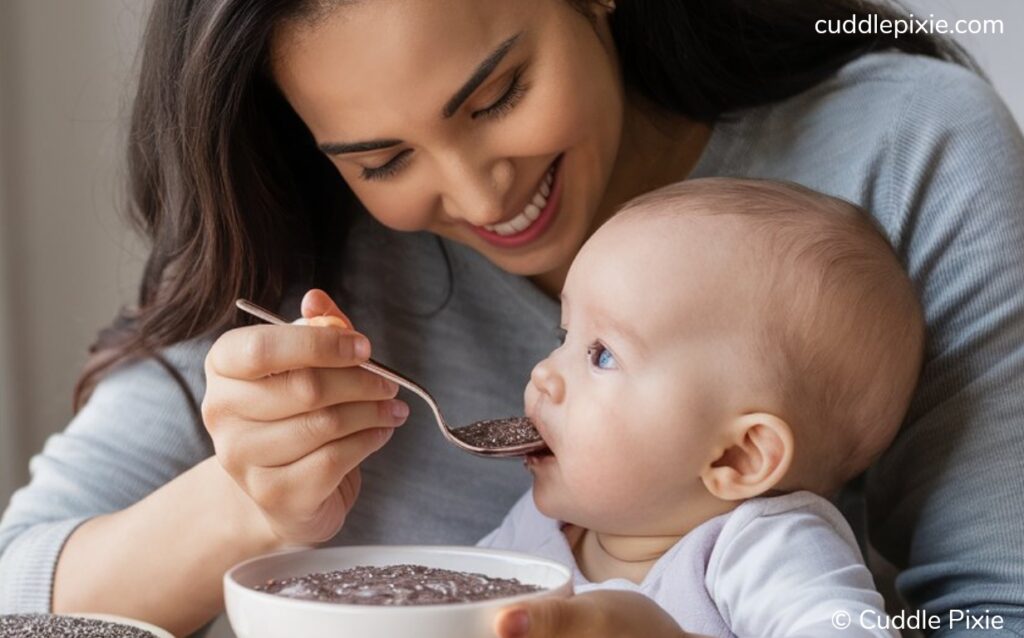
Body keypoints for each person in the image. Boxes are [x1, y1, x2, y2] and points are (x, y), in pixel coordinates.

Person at [0, 1, 1022, 637]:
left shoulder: (904, 150)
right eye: (381, 159)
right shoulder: (288, 240)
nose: (479, 194)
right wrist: (247, 505)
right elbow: (20, 609)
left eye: (495, 96)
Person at [479, 177, 923, 638]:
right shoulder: (538, 525)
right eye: (563, 336)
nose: (543, 374)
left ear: (737, 456)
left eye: (602, 355)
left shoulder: (761, 548)